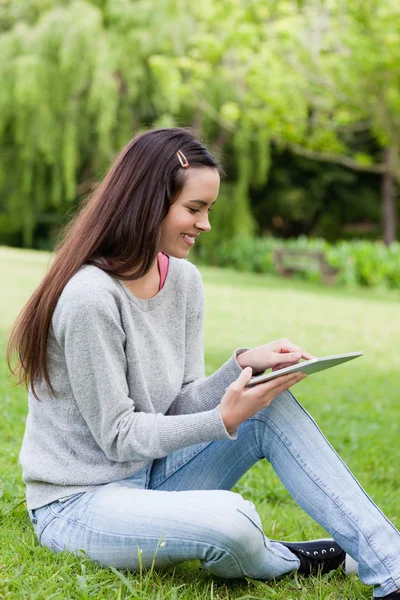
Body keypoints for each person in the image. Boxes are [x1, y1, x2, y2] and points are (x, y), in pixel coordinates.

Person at [7, 128, 400, 599]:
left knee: (268, 406)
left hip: (150, 479)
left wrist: (242, 367)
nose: (205, 224)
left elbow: (176, 404)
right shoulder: (91, 297)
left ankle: (392, 571)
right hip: (79, 503)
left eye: (207, 209)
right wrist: (221, 420)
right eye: (194, 209)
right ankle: (287, 559)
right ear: (148, 202)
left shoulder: (185, 281)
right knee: (233, 522)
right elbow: (119, 437)